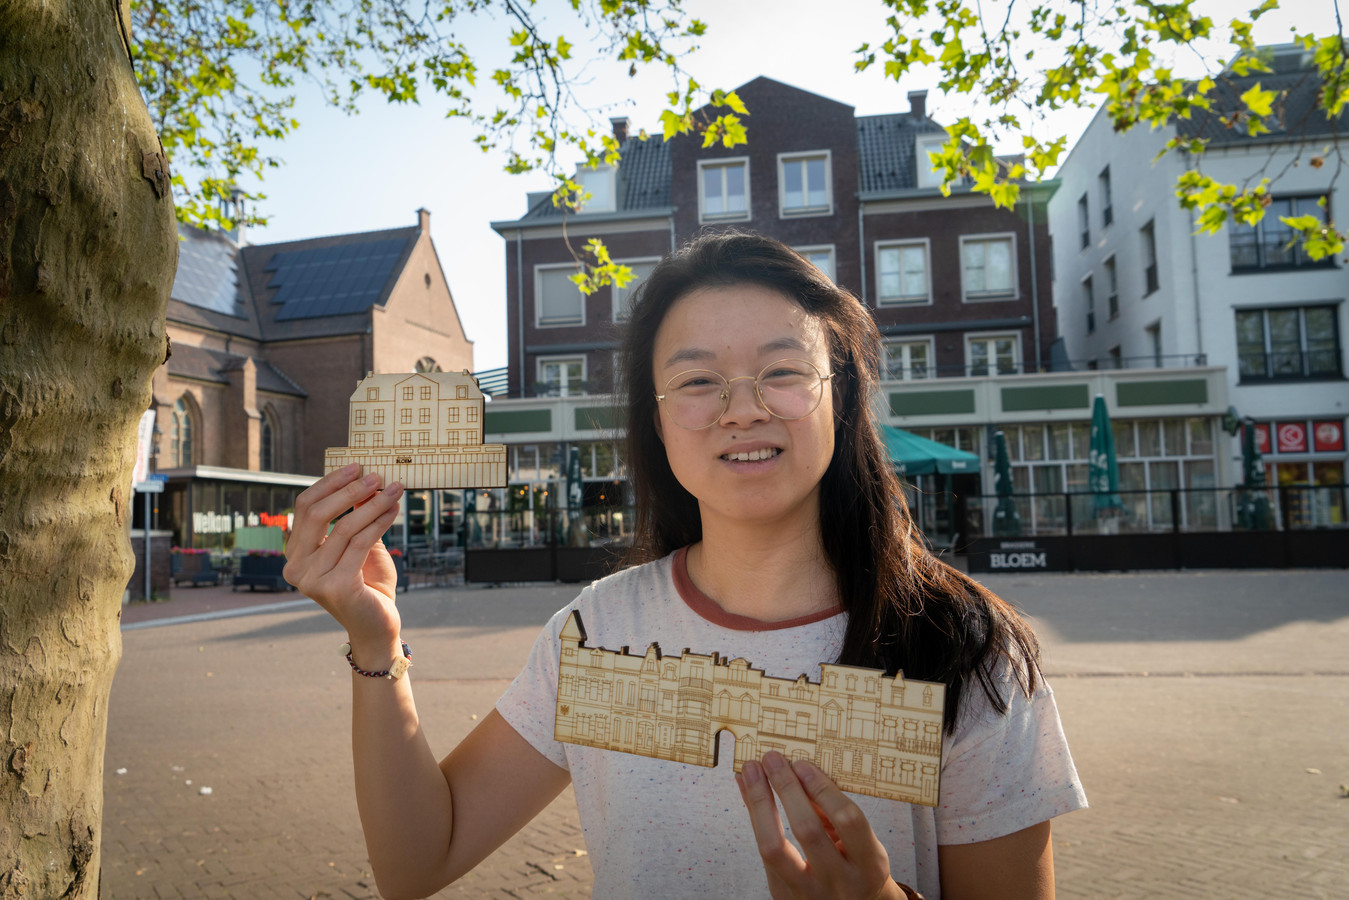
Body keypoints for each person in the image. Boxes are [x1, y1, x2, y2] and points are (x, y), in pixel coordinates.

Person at [284, 231, 1087, 899]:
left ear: (840, 397)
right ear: (658, 425)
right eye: (697, 381)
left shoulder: (962, 648)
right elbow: (418, 859)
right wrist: (375, 642)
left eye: (781, 371)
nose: (743, 407)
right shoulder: (599, 633)